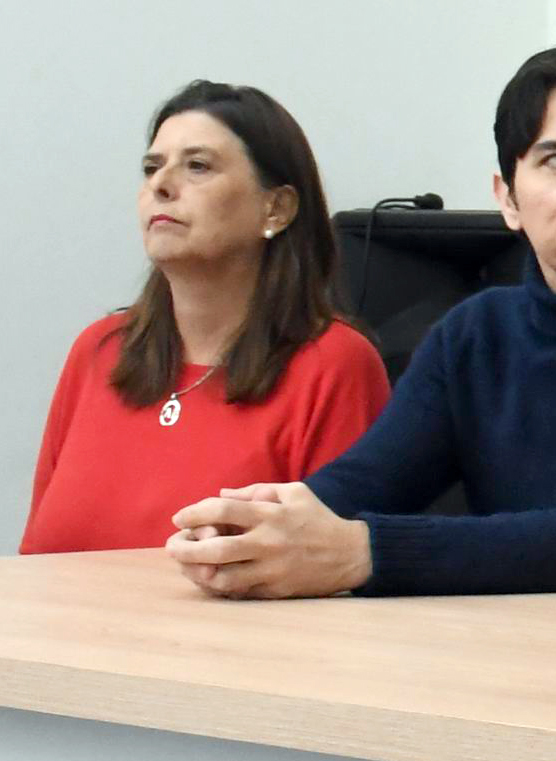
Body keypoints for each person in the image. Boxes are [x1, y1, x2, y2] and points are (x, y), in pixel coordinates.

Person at [165, 43, 556, 614]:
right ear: (508, 200)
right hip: (530, 669)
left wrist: (365, 553)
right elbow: (363, 485)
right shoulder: (474, 334)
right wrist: (250, 527)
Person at [24, 82, 388, 554]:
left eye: (197, 166)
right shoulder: (99, 350)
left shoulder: (334, 365)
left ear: (276, 208)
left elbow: (337, 570)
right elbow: (33, 564)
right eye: (152, 168)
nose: (160, 185)